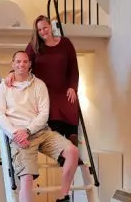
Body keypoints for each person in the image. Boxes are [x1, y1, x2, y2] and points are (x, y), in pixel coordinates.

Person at [0, 50, 82, 202]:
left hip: (41, 131)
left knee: (73, 152)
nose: (21, 64)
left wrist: (28, 129)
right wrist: (17, 133)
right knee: (26, 178)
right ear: (13, 63)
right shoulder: (3, 88)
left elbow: (44, 114)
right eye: (18, 61)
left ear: (29, 64)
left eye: (25, 61)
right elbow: (0, 116)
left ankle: (62, 198)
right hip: (19, 137)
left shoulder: (39, 85)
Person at [5, 15, 80, 145]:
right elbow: (23, 63)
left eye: (44, 28)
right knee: (56, 136)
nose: (43, 32)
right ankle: (67, 160)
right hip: (45, 95)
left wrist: (73, 87)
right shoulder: (34, 46)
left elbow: (73, 67)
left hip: (65, 93)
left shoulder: (66, 43)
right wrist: (12, 73)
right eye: (39, 30)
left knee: (72, 133)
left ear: (50, 26)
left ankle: (74, 160)